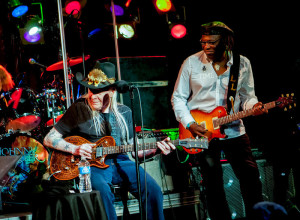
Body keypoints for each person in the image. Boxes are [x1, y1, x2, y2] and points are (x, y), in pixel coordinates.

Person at [43, 61, 176, 220]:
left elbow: (135, 151)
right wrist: (75, 149)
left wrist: (156, 149)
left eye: (99, 91)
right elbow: (49, 138)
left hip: (121, 160)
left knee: (153, 190)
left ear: (112, 91)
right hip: (92, 164)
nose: (93, 95)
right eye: (91, 90)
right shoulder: (79, 108)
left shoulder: (124, 112)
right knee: (102, 193)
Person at [171, 21, 268, 220]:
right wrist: (190, 124)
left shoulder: (243, 63)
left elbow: (248, 96)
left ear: (227, 43)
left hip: (234, 130)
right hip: (199, 131)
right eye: (203, 42)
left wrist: (254, 107)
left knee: (251, 181)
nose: (206, 47)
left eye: (212, 43)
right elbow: (178, 98)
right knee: (212, 186)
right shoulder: (191, 62)